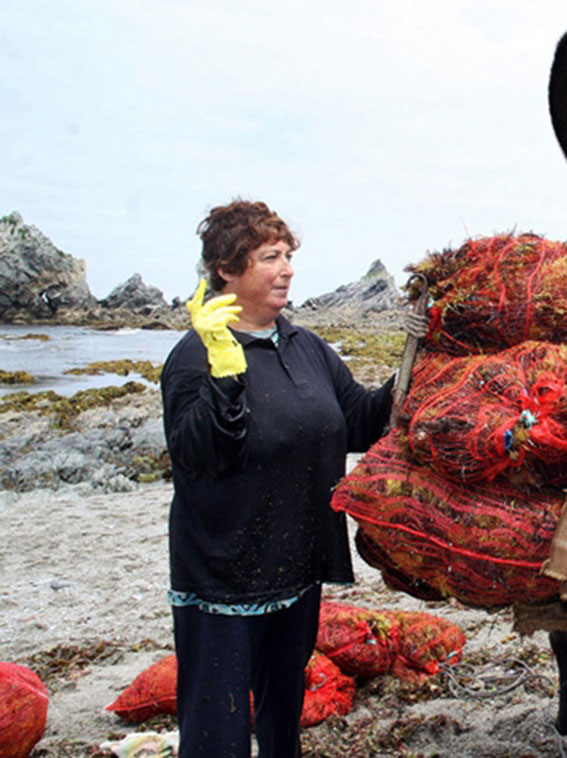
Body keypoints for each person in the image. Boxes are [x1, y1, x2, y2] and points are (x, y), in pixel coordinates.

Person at [161, 199, 396, 757]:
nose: (288, 268)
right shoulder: (195, 356)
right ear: (227, 269)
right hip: (222, 579)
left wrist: (412, 362)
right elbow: (202, 453)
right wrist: (225, 374)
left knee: (281, 724)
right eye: (270, 256)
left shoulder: (305, 346)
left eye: (289, 255)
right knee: (216, 736)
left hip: (295, 569)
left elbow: (360, 422)